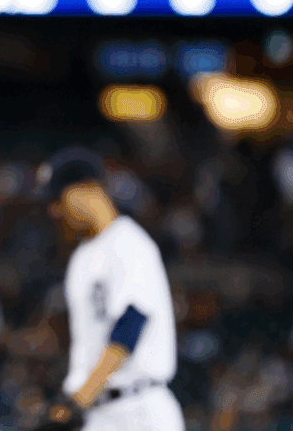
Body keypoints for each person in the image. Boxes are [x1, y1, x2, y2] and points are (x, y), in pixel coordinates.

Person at [31, 147, 183, 431]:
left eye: (57, 199)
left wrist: (77, 401)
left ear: (86, 189)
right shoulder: (81, 258)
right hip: (98, 414)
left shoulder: (130, 244)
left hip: (139, 409)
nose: (54, 211)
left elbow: (130, 325)